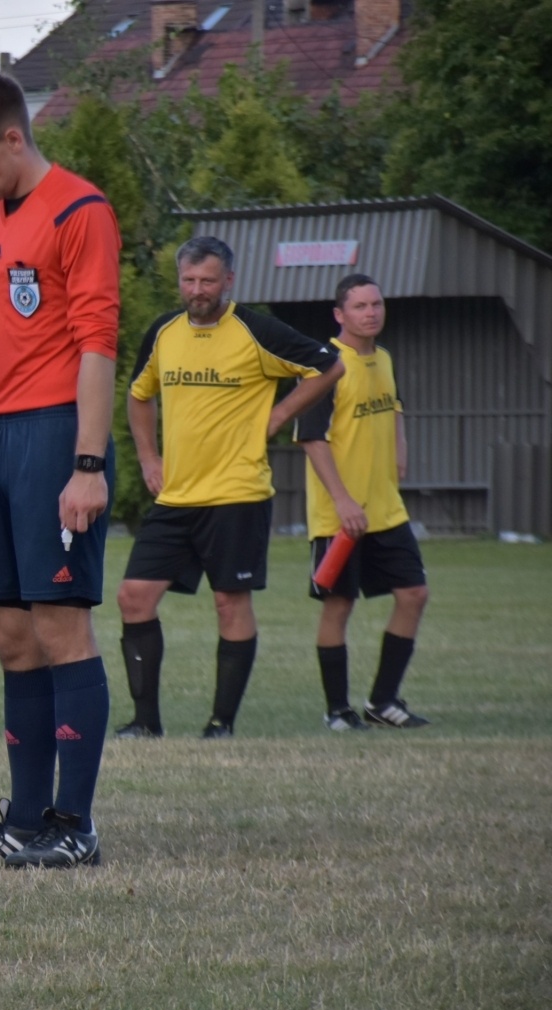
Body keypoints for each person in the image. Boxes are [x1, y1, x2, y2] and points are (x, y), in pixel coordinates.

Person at [0, 71, 120, 870]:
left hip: (55, 437)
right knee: (10, 633)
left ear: (13, 138)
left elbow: (97, 345)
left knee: (58, 623)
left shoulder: (81, 210)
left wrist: (87, 465)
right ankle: (27, 819)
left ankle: (76, 824)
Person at [115, 236, 344, 740]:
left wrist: (283, 411)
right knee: (133, 597)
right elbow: (138, 396)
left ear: (229, 282)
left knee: (229, 604)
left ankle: (221, 723)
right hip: (176, 497)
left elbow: (329, 365)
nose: (197, 291)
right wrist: (149, 457)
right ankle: (145, 722)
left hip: (237, 494)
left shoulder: (256, 329)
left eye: (208, 281)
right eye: (189, 280)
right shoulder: (163, 332)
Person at [296, 274, 431, 730]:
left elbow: (393, 409)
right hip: (341, 515)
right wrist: (343, 501)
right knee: (340, 606)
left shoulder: (385, 359)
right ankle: (337, 711)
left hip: (386, 510)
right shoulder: (325, 365)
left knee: (414, 594)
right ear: (340, 315)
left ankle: (383, 702)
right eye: (359, 306)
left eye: (376, 304)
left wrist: (401, 451)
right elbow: (311, 439)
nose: (370, 312)